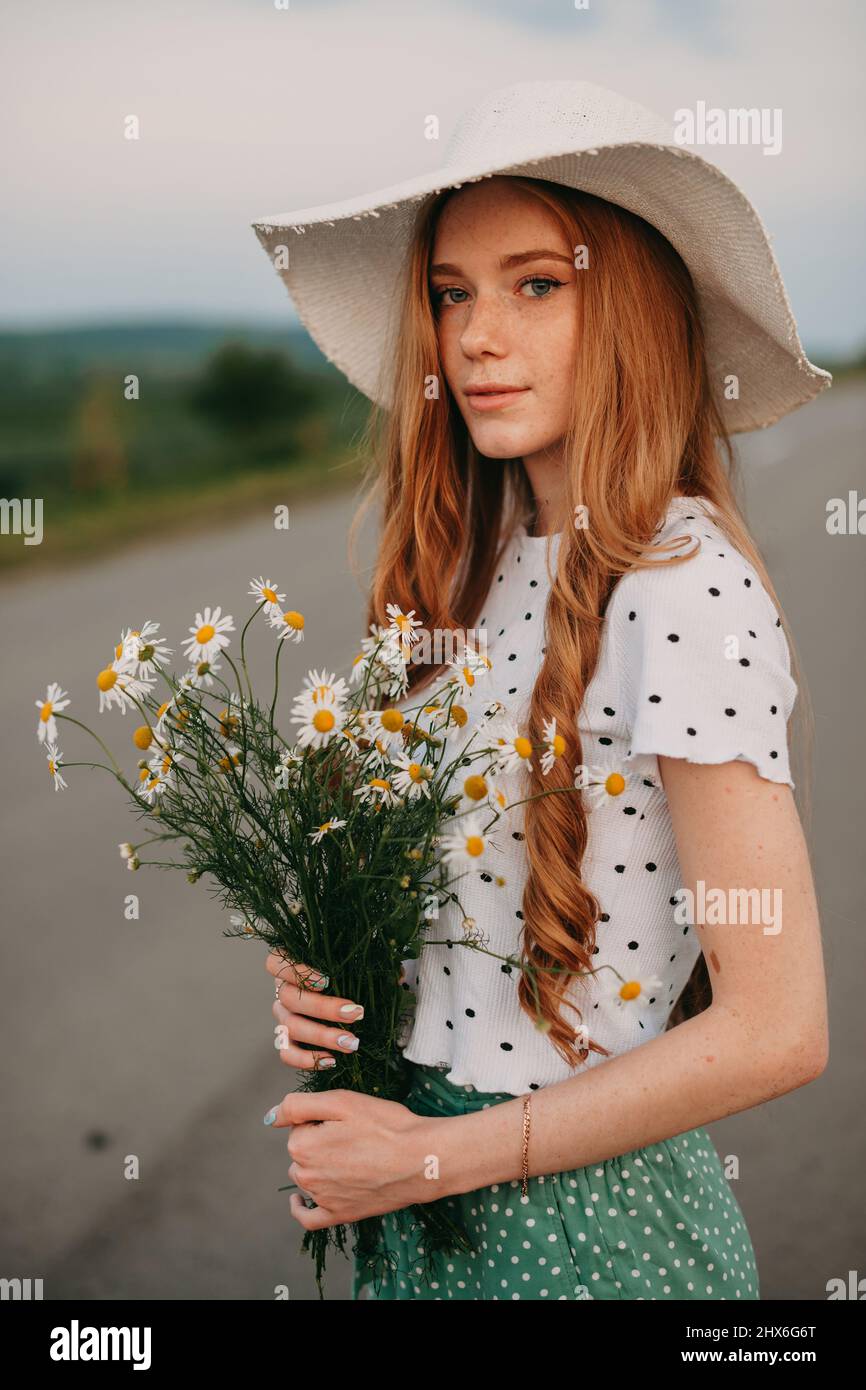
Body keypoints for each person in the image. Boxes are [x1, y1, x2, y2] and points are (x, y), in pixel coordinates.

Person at [254, 80, 830, 1301]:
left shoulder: (680, 586)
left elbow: (779, 1030)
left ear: (627, 306)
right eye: (451, 293)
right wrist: (343, 982)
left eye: (534, 284)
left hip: (587, 1238)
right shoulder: (490, 571)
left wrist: (432, 1155)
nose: (472, 335)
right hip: (435, 1211)